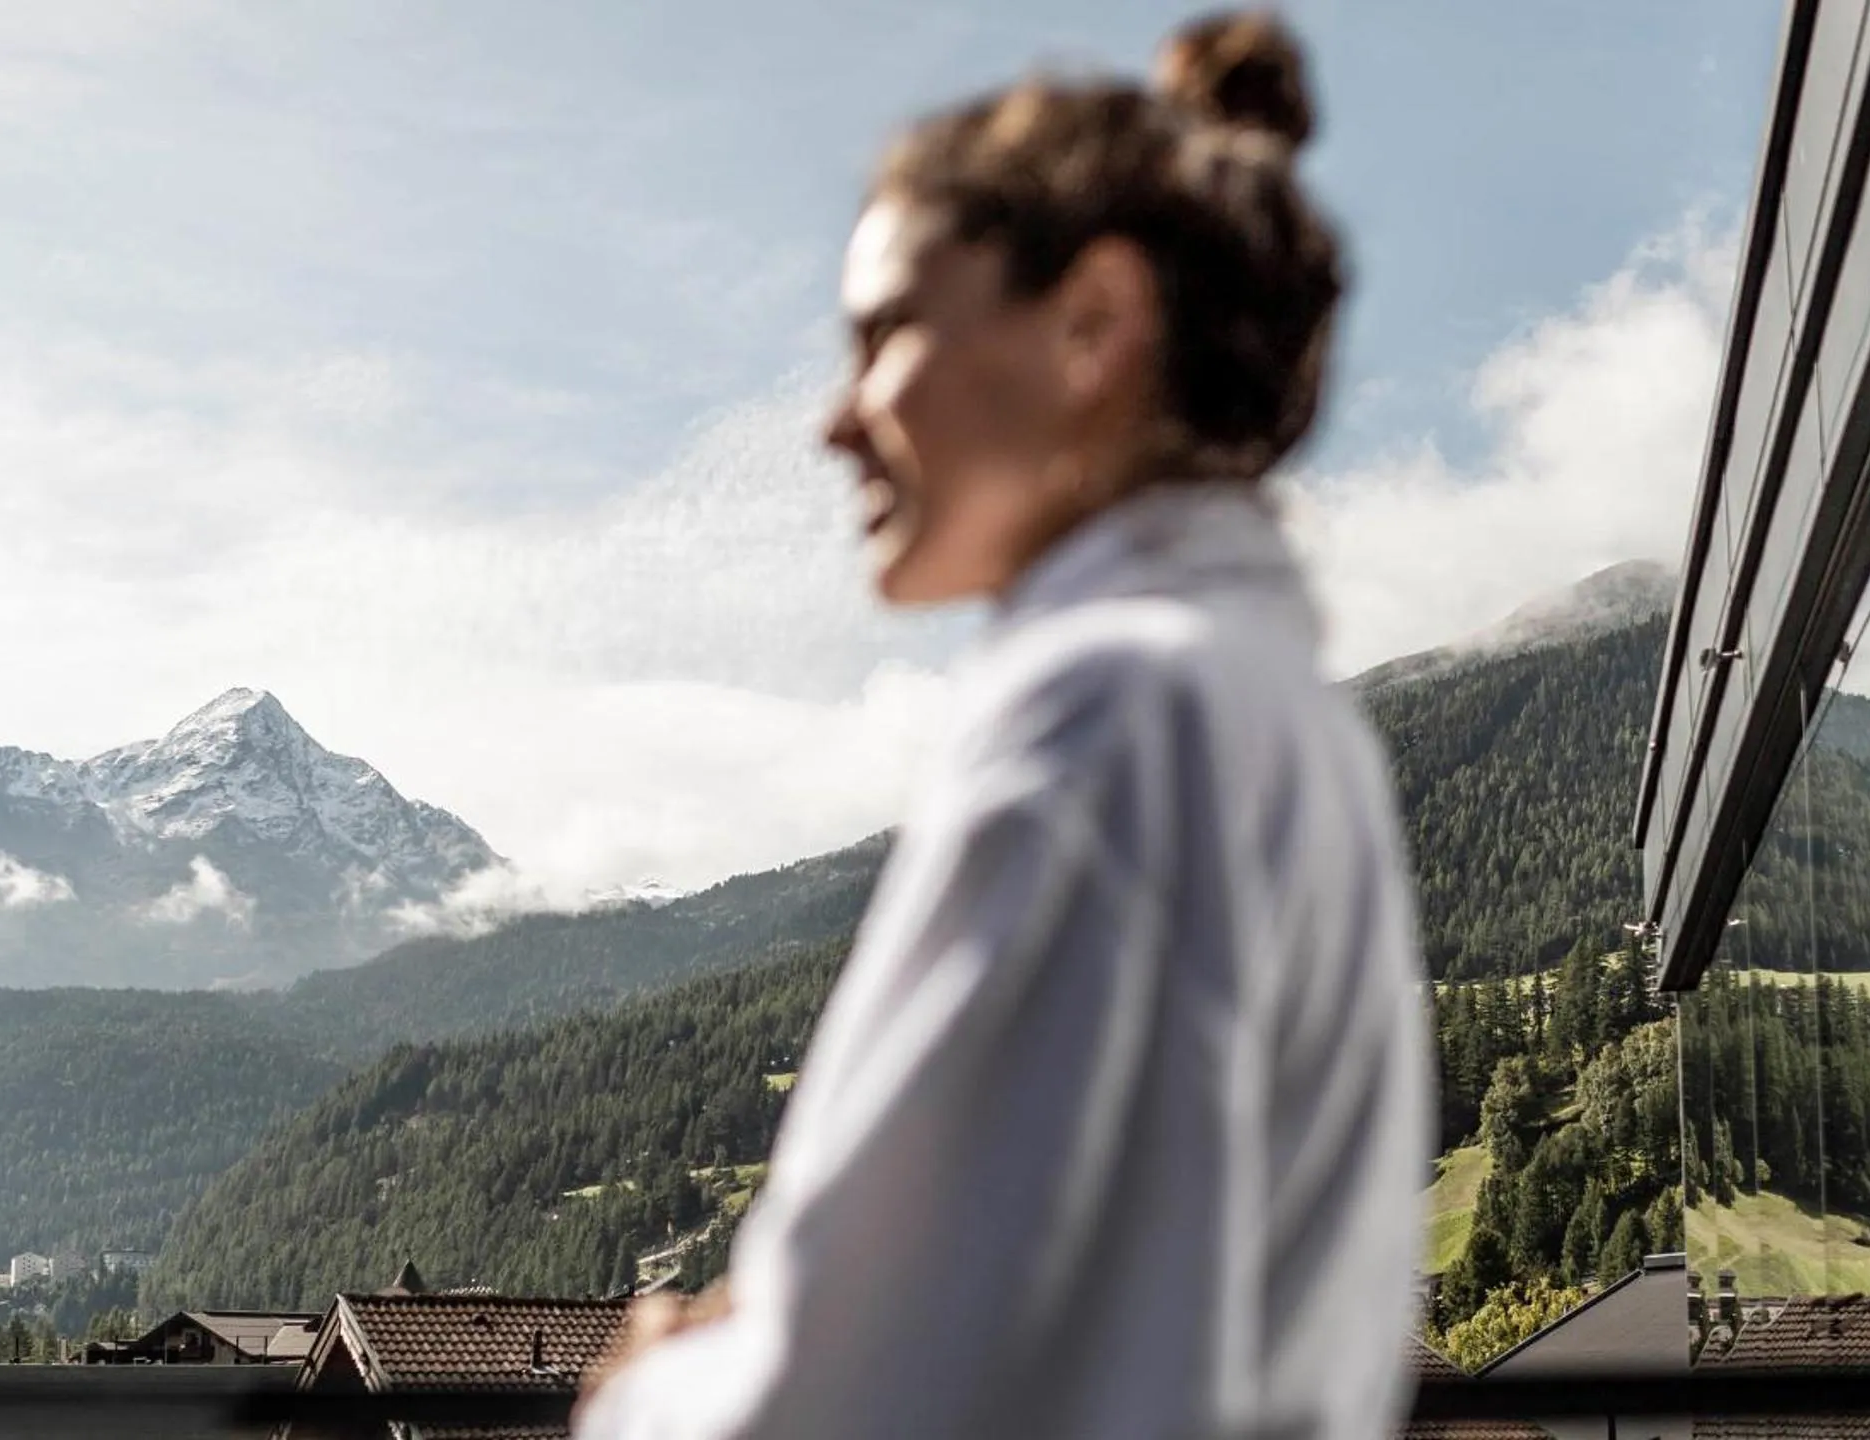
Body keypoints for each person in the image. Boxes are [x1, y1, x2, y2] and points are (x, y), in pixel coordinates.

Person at [575, 11, 1431, 1437]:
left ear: (1092, 322)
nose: (833, 421)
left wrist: (646, 1389)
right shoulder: (1277, 719)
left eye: (884, 335)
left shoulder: (1109, 711)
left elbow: (861, 1405)